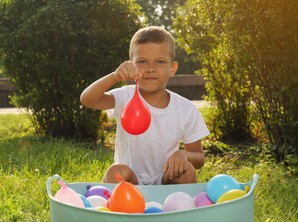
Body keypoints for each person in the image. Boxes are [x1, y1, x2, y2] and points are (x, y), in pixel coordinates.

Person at [80, 26, 210, 185]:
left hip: (166, 181)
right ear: (131, 65)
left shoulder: (185, 109)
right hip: (130, 183)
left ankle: (182, 209)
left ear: (172, 68)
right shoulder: (125, 96)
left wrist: (184, 155)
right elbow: (87, 100)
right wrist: (115, 76)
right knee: (116, 171)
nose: (150, 69)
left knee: (186, 169)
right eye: (142, 62)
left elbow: (198, 158)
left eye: (160, 61)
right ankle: (117, 207)